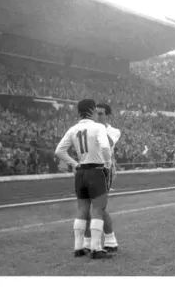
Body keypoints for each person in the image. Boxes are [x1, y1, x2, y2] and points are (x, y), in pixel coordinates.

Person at [54, 99, 112, 259]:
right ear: (92, 110)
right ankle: (96, 248)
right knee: (98, 209)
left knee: (82, 209)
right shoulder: (98, 127)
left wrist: (74, 163)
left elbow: (59, 151)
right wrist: (107, 164)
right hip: (96, 171)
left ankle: (78, 247)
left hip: (81, 173)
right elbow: (106, 147)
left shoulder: (73, 129)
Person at [83, 103, 121, 253]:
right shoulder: (91, 129)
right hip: (90, 168)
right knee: (91, 206)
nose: (97, 116)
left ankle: (95, 241)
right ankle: (109, 241)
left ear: (107, 116)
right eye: (95, 113)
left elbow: (107, 144)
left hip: (104, 169)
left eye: (101, 113)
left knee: (97, 206)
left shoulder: (114, 131)